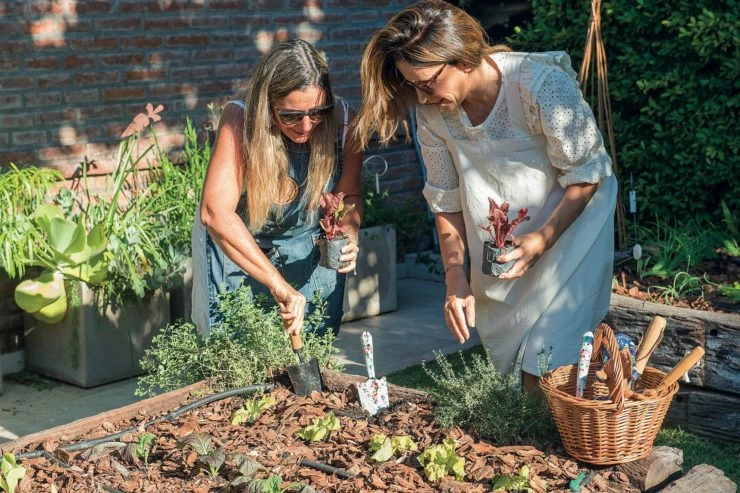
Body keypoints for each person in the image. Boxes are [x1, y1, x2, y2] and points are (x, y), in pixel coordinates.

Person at [352, 0, 617, 387]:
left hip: (572, 230)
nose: (421, 98)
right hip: (507, 242)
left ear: (461, 58)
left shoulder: (539, 85)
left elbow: (586, 173)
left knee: (546, 364)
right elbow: (445, 199)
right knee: (517, 371)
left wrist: (541, 240)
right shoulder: (432, 114)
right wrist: (455, 278)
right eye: (413, 86)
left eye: (427, 84)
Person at [191, 39, 362, 337]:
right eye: (291, 115)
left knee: (314, 349)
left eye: (318, 112)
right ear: (267, 105)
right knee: (241, 352)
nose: (307, 126)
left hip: (308, 250)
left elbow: (350, 195)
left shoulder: (344, 123)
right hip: (242, 252)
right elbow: (215, 213)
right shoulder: (240, 120)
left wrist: (349, 232)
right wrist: (276, 283)